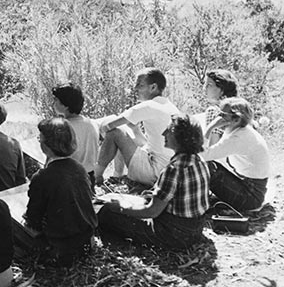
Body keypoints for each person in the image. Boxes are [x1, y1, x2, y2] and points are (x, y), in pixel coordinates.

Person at [98, 114, 210, 249]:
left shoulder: (174, 168)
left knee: (106, 213)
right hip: (195, 229)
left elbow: (151, 212)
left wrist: (120, 208)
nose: (164, 133)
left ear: (180, 138)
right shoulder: (199, 160)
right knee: (132, 200)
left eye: (168, 130)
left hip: (174, 235)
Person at [21, 117, 97, 266]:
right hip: (87, 240)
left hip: (60, 247)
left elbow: (33, 219)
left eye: (40, 138)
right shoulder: (80, 168)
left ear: (46, 146)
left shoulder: (42, 177)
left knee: (18, 225)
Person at [93, 68, 180, 187]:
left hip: (156, 172)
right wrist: (133, 130)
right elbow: (150, 142)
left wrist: (99, 132)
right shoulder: (168, 105)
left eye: (140, 85)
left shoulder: (148, 106)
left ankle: (96, 176)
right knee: (126, 130)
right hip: (169, 170)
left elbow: (109, 125)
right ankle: (117, 176)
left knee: (115, 132)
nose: (136, 89)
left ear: (153, 87)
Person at [200, 97, 270, 212]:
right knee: (211, 165)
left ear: (236, 119)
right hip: (252, 188)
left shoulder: (238, 138)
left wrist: (210, 128)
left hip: (251, 197)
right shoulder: (241, 130)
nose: (218, 117)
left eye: (223, 115)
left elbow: (201, 156)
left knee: (205, 166)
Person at [51, 83, 99, 183]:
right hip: (89, 177)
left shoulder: (62, 128)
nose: (53, 104)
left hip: (68, 179)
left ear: (65, 105)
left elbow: (53, 159)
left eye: (56, 100)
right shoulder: (92, 123)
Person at [199, 69, 238, 148]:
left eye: (209, 85)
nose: (204, 88)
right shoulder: (237, 110)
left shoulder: (214, 111)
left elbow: (212, 148)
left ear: (222, 90)